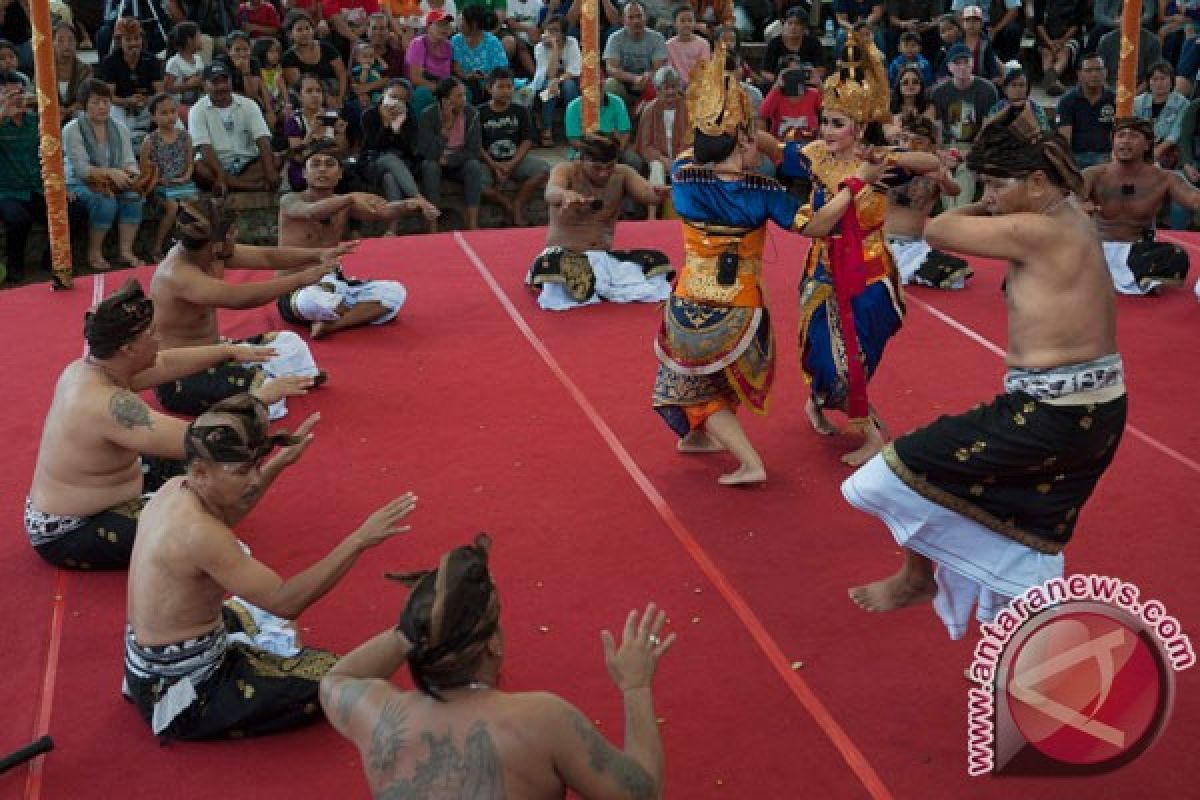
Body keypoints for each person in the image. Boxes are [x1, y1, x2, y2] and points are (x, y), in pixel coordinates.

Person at [844, 104, 1127, 641]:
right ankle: (1025, 651)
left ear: (1039, 181)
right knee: (1021, 531)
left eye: (997, 184)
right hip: (1086, 410)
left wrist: (986, 202)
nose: (990, 194)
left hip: (1054, 414)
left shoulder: (1042, 231)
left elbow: (940, 229)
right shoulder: (1067, 218)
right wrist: (1005, 193)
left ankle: (917, 579)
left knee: (900, 469)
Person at [124, 393, 419, 741]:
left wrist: (281, 463)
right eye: (242, 471)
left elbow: (228, 513)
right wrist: (358, 541)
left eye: (257, 467)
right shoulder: (200, 534)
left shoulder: (176, 489)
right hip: (185, 688)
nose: (253, 480)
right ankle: (417, 634)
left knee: (255, 608)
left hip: (149, 663)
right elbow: (286, 600)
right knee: (338, 681)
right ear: (202, 472)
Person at [320, 536, 674, 798]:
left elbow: (336, 678)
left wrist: (418, 624)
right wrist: (636, 687)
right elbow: (643, 794)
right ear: (494, 643)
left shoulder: (377, 715)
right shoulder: (542, 720)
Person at [26, 280, 273, 570]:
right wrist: (260, 399)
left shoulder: (93, 367)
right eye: (152, 334)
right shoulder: (106, 405)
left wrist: (227, 352)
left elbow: (165, 364)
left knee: (206, 479)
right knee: (199, 504)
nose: (159, 339)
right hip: (76, 530)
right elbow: (201, 441)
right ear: (128, 348)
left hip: (104, 493)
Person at [778, 29, 940, 467]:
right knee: (829, 354)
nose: (825, 130)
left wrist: (891, 158)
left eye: (836, 123)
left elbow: (931, 162)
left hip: (871, 272)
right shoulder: (813, 156)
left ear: (858, 126)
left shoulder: (878, 163)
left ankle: (820, 402)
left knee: (864, 349)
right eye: (824, 120)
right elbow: (771, 148)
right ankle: (869, 433)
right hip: (824, 270)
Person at [149, 196, 344, 418]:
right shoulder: (177, 274)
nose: (236, 236)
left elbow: (266, 257)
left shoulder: (211, 251)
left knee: (289, 343)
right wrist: (301, 279)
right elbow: (239, 298)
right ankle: (260, 382)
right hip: (181, 376)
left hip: (218, 352)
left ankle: (265, 378)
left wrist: (318, 254)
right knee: (267, 399)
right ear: (217, 244)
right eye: (232, 233)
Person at [278, 149, 436, 337]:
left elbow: (383, 211)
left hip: (335, 283)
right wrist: (350, 197)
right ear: (304, 173)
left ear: (340, 174)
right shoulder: (290, 200)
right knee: (309, 300)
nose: (322, 169)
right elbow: (311, 212)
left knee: (394, 292)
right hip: (297, 289)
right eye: (315, 164)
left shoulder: (344, 202)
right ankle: (348, 313)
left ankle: (332, 325)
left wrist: (410, 205)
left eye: (329, 164)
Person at [529, 133, 672, 311]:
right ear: (582, 159)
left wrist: (662, 193)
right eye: (596, 168)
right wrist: (564, 195)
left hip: (603, 258)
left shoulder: (623, 174)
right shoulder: (566, 170)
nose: (603, 174)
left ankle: (597, 284)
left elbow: (647, 193)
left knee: (656, 261)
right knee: (554, 266)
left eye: (609, 167)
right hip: (564, 256)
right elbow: (551, 191)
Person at [1080, 117, 1199, 295]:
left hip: (1137, 253)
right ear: (1113, 141)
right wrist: (1081, 205)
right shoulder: (1093, 174)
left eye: (1133, 135)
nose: (1125, 140)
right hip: (1096, 251)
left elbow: (1195, 200)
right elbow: (1066, 199)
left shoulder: (1165, 178)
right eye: (1120, 135)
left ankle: (1131, 278)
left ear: (1147, 144)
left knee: (1176, 256)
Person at [62, 79, 147, 271]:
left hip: (115, 178)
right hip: (78, 181)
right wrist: (110, 172)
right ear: (84, 105)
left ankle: (125, 251)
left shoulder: (120, 127)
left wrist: (134, 176)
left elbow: (128, 162)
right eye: (96, 102)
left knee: (134, 196)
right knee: (104, 201)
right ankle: (94, 252)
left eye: (106, 102)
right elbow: (82, 169)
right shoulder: (72, 129)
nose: (102, 107)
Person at [885, 114, 970, 289]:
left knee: (956, 278)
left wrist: (942, 180)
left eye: (918, 141)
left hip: (913, 246)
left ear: (931, 146)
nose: (909, 145)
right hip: (881, 242)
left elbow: (954, 191)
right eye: (905, 139)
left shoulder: (935, 170)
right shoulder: (889, 164)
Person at [189, 62, 280, 194]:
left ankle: (231, 185)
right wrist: (220, 175)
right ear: (204, 85)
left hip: (247, 163)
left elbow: (262, 139)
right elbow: (205, 148)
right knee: (199, 168)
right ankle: (254, 187)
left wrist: (270, 172)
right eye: (215, 82)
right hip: (216, 165)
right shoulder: (197, 110)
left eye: (225, 81)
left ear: (231, 81)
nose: (221, 86)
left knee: (275, 159)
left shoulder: (249, 104)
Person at [479, 67, 551, 226]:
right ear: (489, 88)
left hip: (515, 159)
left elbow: (527, 140)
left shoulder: (520, 111)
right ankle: (507, 204)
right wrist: (494, 165)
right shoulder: (479, 112)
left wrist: (511, 164)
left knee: (544, 169)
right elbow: (476, 145)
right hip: (488, 161)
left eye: (509, 87)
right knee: (476, 183)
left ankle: (518, 204)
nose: (506, 91)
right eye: (501, 87)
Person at [930, 42, 998, 208]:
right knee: (943, 171)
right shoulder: (939, 92)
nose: (962, 67)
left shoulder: (988, 89)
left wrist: (971, 151)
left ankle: (957, 213)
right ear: (949, 67)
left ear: (972, 63)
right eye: (957, 63)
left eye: (965, 62)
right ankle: (952, 215)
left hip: (974, 145)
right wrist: (940, 152)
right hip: (946, 145)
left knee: (966, 170)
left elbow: (988, 127)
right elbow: (937, 127)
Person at [0, 73, 49, 284]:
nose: (15, 98)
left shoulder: (34, 121)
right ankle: (15, 267)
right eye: (8, 94)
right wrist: (2, 115)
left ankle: (53, 261)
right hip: (6, 191)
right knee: (18, 219)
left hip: (36, 187)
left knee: (73, 210)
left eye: (19, 92)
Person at [418, 76, 484, 231]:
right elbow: (426, 152)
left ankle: (472, 222)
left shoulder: (472, 114)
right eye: (459, 96)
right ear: (445, 100)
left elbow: (474, 150)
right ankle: (432, 223)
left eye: (464, 95)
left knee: (474, 166)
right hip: (435, 160)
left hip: (458, 161)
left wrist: (450, 160)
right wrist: (446, 128)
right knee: (430, 167)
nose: (464, 100)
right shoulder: (428, 115)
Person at [140, 93, 199, 262]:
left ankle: (188, 246)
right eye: (164, 113)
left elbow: (190, 163)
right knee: (172, 207)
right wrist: (159, 180)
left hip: (183, 183)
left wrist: (185, 177)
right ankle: (157, 247)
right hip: (161, 186)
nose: (170, 117)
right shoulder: (150, 140)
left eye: (173, 112)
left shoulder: (185, 137)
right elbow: (144, 170)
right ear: (153, 116)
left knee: (195, 206)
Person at [635, 66, 690, 219]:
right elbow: (645, 145)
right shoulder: (649, 110)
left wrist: (679, 159)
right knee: (657, 168)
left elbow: (692, 141)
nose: (671, 92)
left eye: (674, 87)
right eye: (666, 88)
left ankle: (686, 214)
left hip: (683, 156)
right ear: (658, 90)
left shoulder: (688, 109)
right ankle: (651, 215)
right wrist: (662, 159)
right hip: (659, 158)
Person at [98, 17, 164, 138]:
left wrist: (146, 101)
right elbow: (109, 96)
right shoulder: (110, 61)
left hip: (147, 106)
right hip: (121, 108)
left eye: (136, 38)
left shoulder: (151, 60)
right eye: (128, 39)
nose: (133, 43)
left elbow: (160, 92)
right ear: (119, 41)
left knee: (172, 119)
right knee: (115, 119)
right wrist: (127, 101)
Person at [285, 73, 350, 191]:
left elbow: (343, 150)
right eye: (309, 91)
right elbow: (298, 157)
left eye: (318, 91)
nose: (315, 95)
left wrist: (340, 132)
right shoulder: (295, 121)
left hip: (330, 165)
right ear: (300, 96)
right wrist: (311, 132)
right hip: (305, 168)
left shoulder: (332, 116)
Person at [603, 1, 668, 112]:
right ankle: (619, 120)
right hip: (623, 83)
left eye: (639, 16)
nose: (636, 21)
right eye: (631, 17)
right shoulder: (615, 38)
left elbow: (658, 69)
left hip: (647, 83)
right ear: (623, 20)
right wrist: (634, 78)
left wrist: (646, 78)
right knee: (610, 84)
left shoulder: (657, 38)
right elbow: (611, 68)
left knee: (660, 81)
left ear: (645, 17)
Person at [1056, 53, 1117, 170]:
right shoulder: (1067, 101)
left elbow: (1118, 132)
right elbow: (1064, 139)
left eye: (1098, 70)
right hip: (1076, 157)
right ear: (1079, 74)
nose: (1094, 74)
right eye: (1089, 70)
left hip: (1107, 157)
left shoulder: (1115, 99)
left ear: (1105, 72)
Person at [282, 11, 349, 109]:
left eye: (307, 28)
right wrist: (325, 98)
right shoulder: (288, 58)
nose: (305, 33)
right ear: (290, 34)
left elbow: (342, 74)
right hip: (308, 96)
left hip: (334, 92)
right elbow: (299, 85)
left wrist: (340, 98)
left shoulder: (326, 47)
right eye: (299, 30)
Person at [531, 15, 581, 145]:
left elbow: (574, 70)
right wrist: (555, 48)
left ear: (563, 33)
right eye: (548, 30)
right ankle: (546, 129)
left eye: (555, 30)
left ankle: (575, 129)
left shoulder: (572, 43)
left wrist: (557, 80)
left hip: (566, 81)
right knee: (549, 87)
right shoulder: (539, 48)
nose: (550, 34)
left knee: (569, 85)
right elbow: (549, 74)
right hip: (542, 86)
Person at [452, 4, 509, 103]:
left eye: (463, 20)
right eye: (459, 19)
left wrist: (486, 77)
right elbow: (456, 68)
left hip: (490, 83)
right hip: (465, 82)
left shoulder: (492, 42)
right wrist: (468, 76)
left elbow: (501, 70)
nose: (459, 23)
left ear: (474, 24)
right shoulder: (456, 40)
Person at [759, 57, 821, 142]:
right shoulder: (777, 95)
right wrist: (777, 84)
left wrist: (819, 84)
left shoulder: (813, 94)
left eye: (798, 72)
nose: (796, 77)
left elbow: (831, 108)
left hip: (809, 147)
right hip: (781, 146)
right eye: (792, 72)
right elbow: (763, 113)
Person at [407, 10, 456, 116]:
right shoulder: (418, 44)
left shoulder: (448, 46)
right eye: (440, 24)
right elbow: (415, 78)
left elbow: (447, 75)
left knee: (464, 92)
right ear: (428, 26)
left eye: (447, 25)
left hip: (441, 85)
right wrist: (440, 89)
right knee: (422, 94)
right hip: (421, 86)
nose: (445, 28)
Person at [762, 7, 825, 89]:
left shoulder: (813, 43)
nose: (793, 27)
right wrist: (781, 80)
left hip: (806, 83)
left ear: (804, 27)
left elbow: (821, 69)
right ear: (784, 24)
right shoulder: (774, 43)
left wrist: (803, 79)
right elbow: (765, 72)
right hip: (780, 84)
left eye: (797, 24)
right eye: (790, 23)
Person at [1032, 0, 1085, 98]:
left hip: (1069, 36)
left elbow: (1076, 25)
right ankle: (1053, 82)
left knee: (1063, 53)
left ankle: (1048, 81)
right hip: (1045, 37)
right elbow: (1038, 24)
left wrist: (1062, 41)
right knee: (1046, 54)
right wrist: (1049, 42)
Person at [52, 22, 92, 121]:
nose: (66, 45)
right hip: (51, 112)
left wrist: (68, 111)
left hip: (76, 113)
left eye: (70, 40)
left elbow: (85, 98)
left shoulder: (85, 69)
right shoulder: (45, 69)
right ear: (53, 43)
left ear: (76, 43)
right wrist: (56, 110)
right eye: (60, 41)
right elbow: (38, 95)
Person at [164, 21, 206, 112]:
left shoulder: (198, 59)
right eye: (199, 37)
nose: (201, 39)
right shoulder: (174, 62)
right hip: (179, 106)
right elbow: (167, 89)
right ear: (189, 40)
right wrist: (187, 85)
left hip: (198, 102)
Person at [666, 4, 711, 88]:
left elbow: (704, 70)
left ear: (694, 23)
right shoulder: (668, 45)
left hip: (698, 87)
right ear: (674, 23)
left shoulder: (703, 44)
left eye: (690, 21)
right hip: (676, 88)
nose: (686, 24)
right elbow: (669, 71)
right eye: (682, 21)